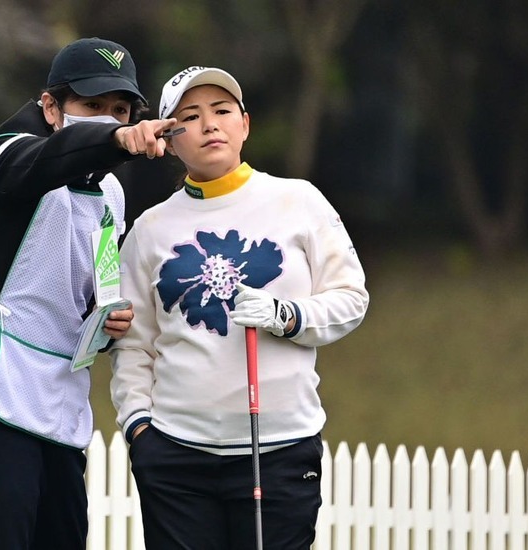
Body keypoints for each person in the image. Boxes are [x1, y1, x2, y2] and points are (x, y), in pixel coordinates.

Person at [0, 37, 177, 550]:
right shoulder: (6, 155)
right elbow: (50, 160)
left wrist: (107, 321)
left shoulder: (112, 193)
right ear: (49, 106)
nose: (109, 120)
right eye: (92, 106)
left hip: (62, 407)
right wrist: (115, 139)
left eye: (119, 110)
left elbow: (100, 287)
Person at [110, 66, 370, 549]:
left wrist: (287, 315)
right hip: (174, 454)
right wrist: (139, 429)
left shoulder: (299, 201)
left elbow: (351, 299)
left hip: (279, 449)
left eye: (223, 111)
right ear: (168, 138)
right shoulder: (149, 230)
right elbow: (134, 345)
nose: (210, 124)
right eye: (190, 116)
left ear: (244, 125)